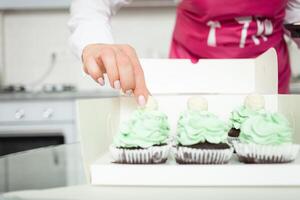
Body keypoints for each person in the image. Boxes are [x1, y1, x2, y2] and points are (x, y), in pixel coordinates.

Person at [68, 0, 300, 105]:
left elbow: (295, 16)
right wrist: (95, 41)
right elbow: (93, 5)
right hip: (191, 87)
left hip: (268, 89)